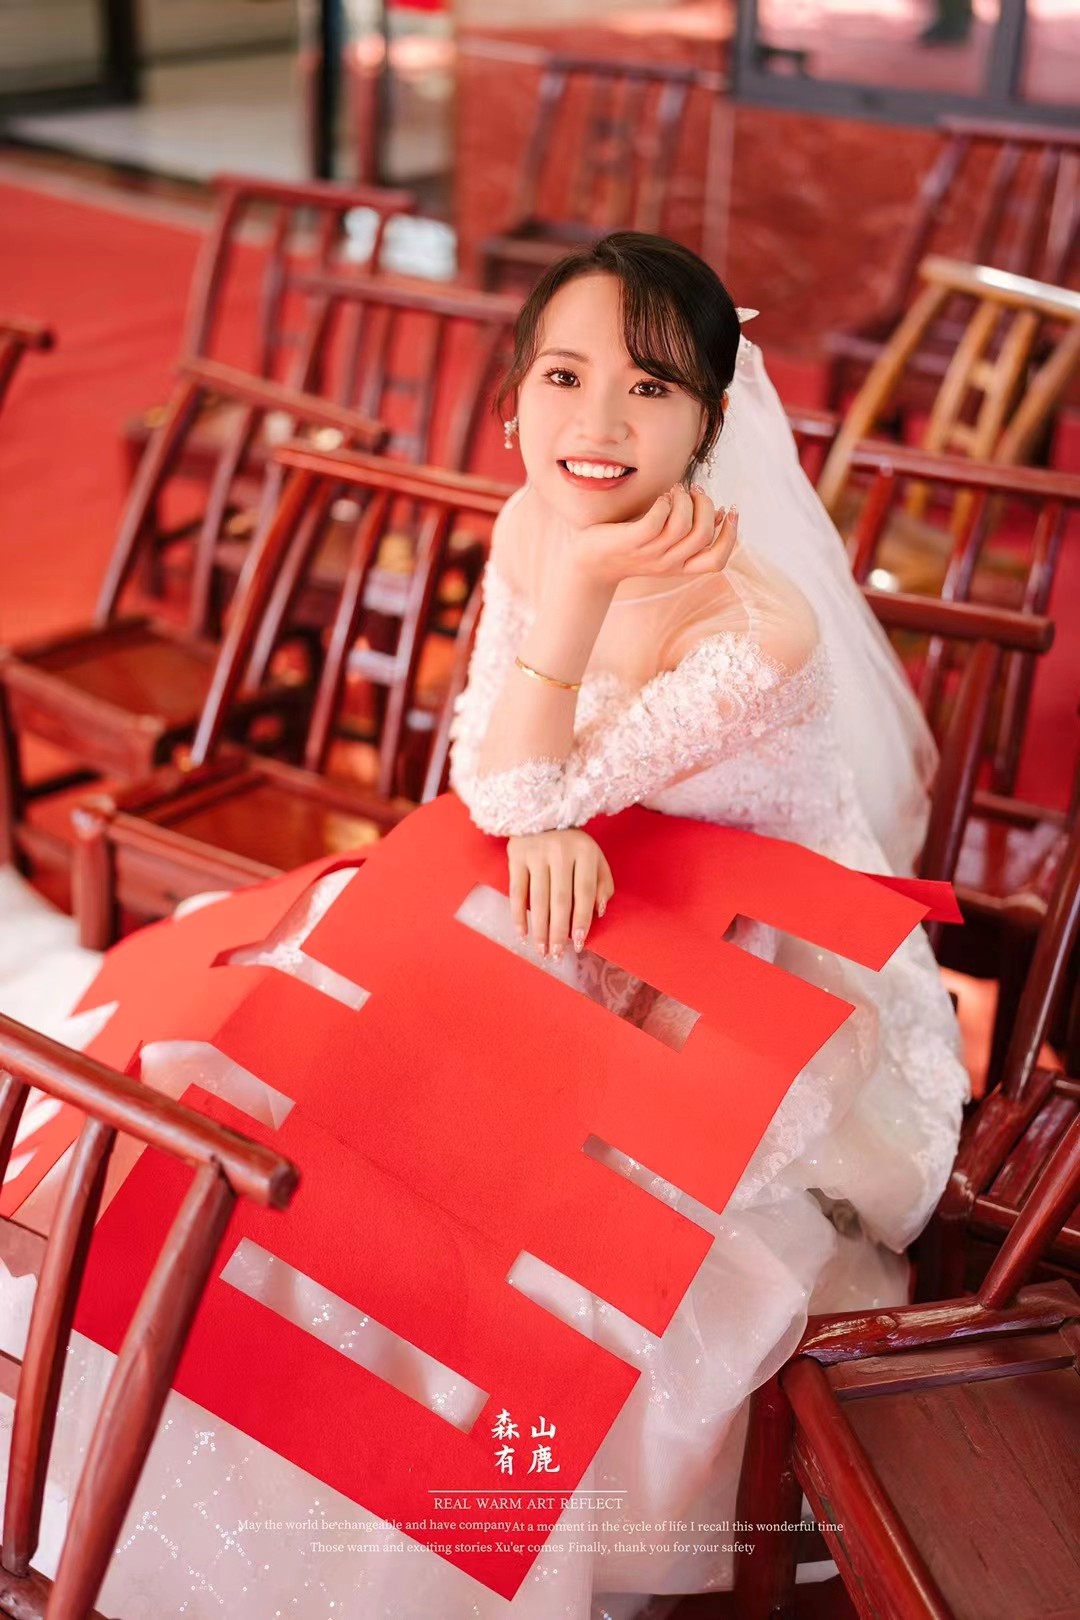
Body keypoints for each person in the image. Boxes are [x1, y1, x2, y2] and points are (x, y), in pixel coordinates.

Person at [0, 233, 968, 1620]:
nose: (597, 423)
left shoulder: (760, 627)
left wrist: (572, 627)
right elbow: (489, 768)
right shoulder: (531, 519)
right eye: (564, 377)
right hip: (570, 884)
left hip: (736, 952)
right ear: (513, 399)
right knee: (287, 1048)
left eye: (649, 388)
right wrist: (550, 805)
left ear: (709, 420)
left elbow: (512, 785)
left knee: (516, 1203)